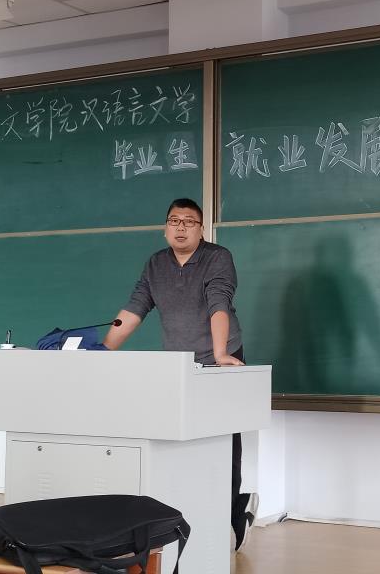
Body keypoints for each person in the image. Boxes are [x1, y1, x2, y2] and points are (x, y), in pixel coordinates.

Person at [103, 197, 257, 551]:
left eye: (189, 221)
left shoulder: (217, 257)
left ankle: (233, 513)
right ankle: (188, 514)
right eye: (174, 221)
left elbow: (219, 303)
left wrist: (220, 354)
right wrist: (103, 351)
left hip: (221, 357)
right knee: (181, 439)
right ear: (165, 228)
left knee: (222, 441)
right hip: (178, 363)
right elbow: (134, 309)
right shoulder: (156, 264)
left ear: (201, 229)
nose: (181, 227)